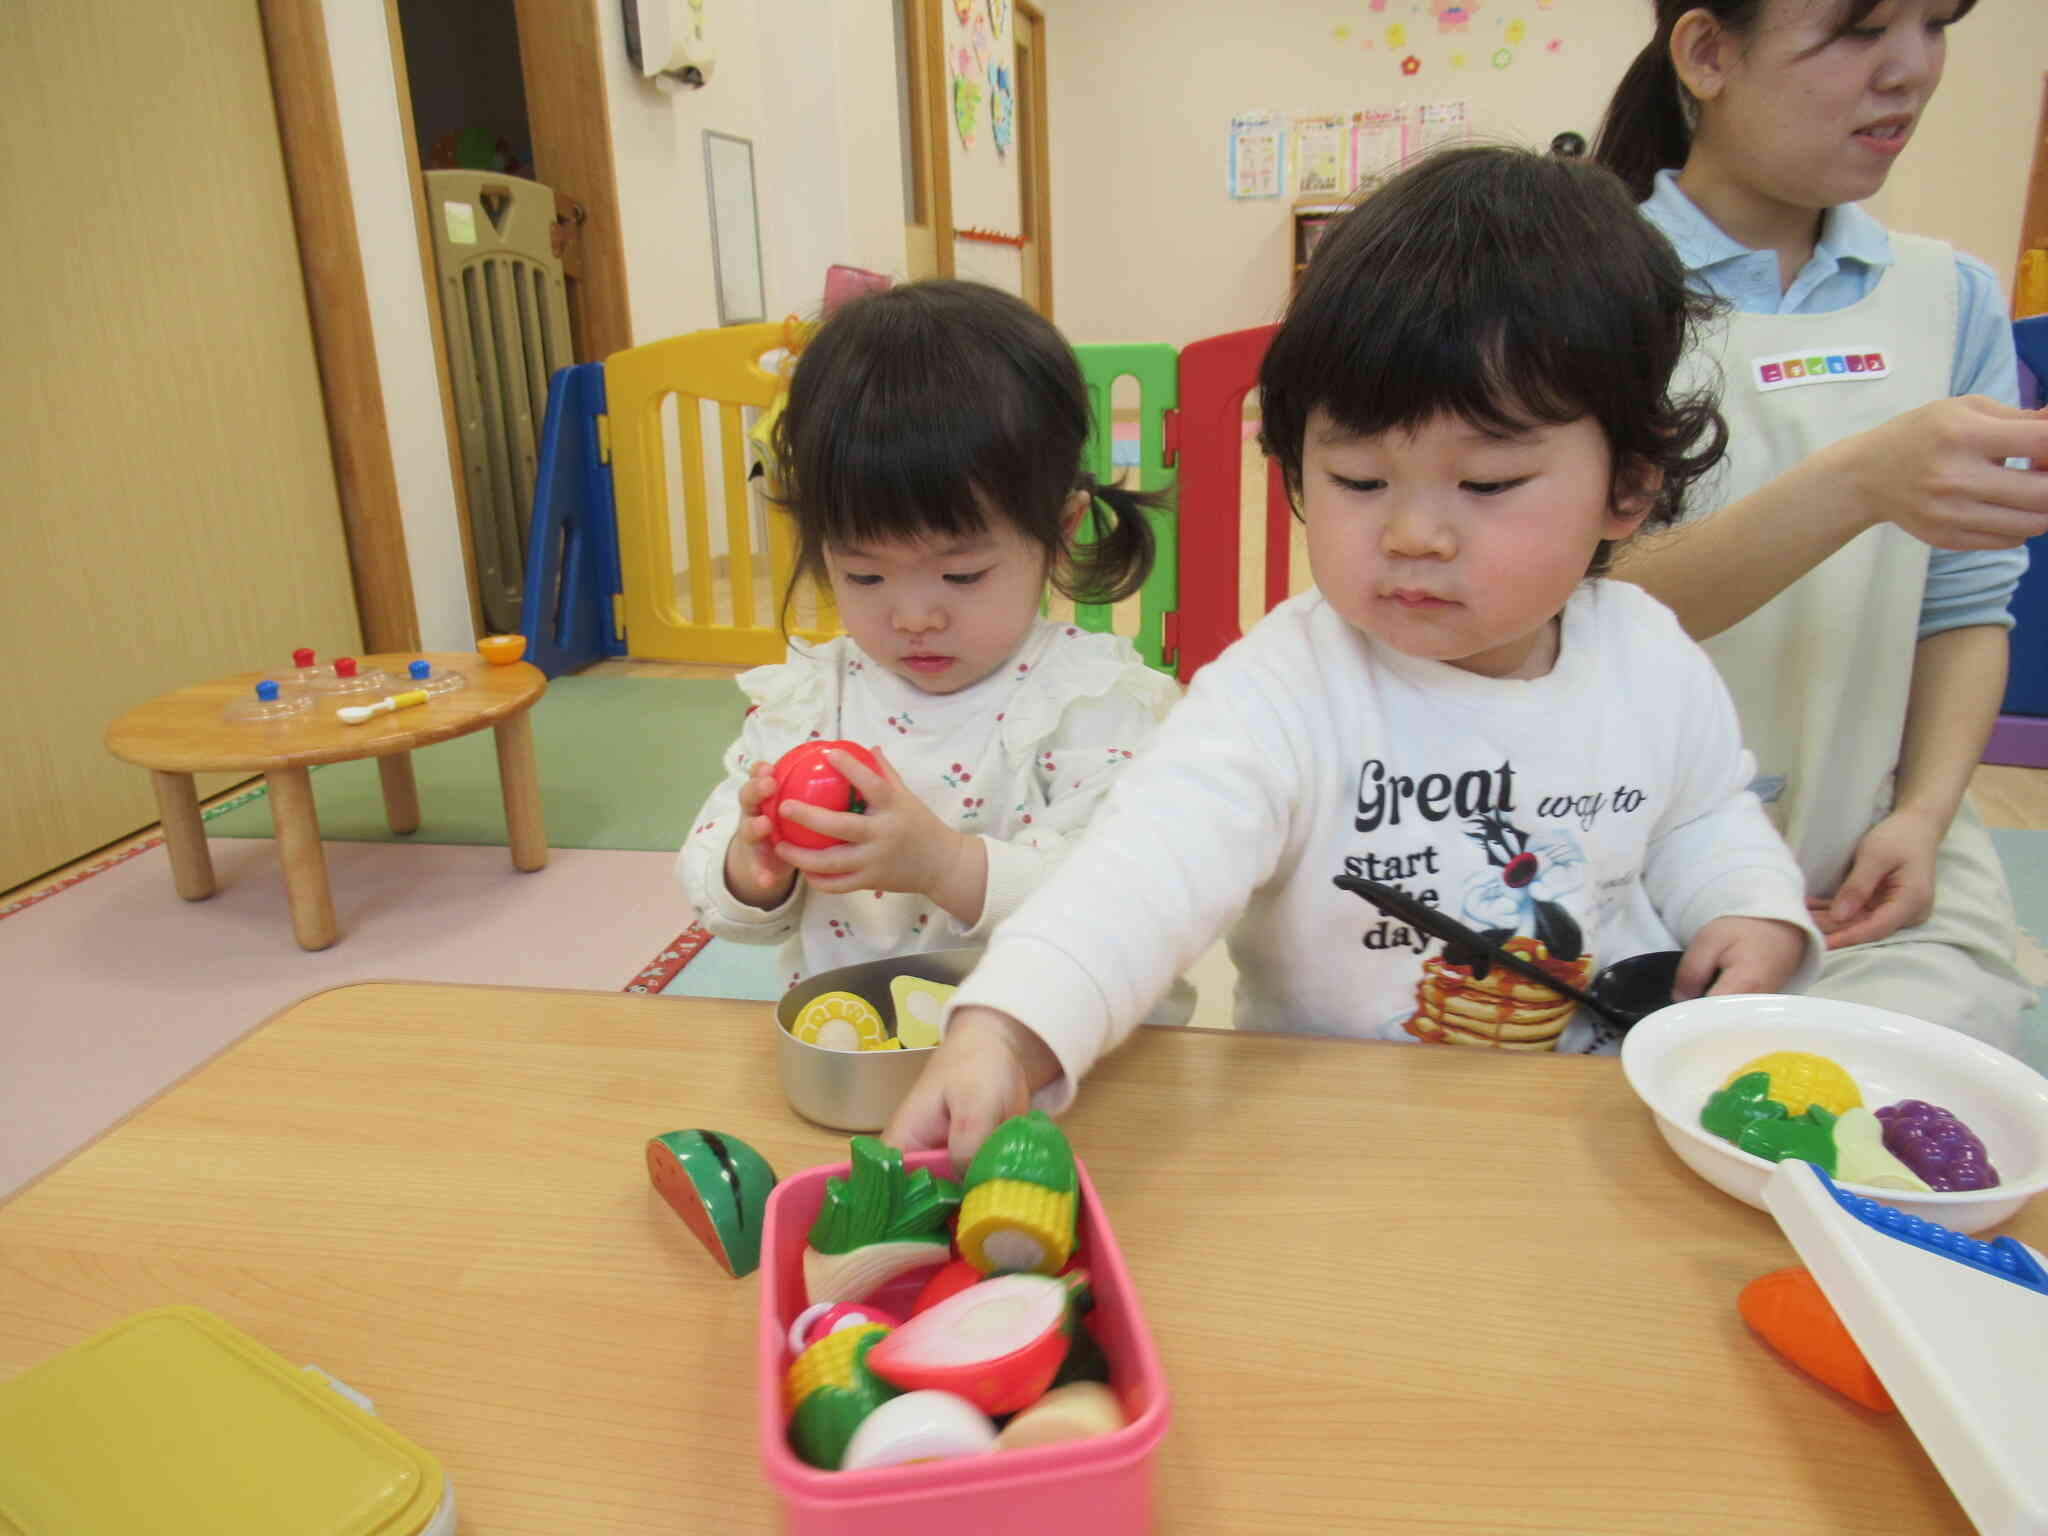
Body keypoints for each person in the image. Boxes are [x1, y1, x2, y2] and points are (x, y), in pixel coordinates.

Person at [884, 146, 1824, 1169]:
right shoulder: (1280, 691)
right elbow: (1138, 874)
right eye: (1358, 479)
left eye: (1488, 483)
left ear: (1627, 487)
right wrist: (1005, 1028)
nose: (1413, 534)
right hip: (1335, 1139)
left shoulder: (1643, 653)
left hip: (1593, 1127)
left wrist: (1747, 908)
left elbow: (1700, 815)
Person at [1592, 0, 2046, 1049]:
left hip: (1859, 878)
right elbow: (1549, 606)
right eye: (1856, 31)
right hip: (1616, 867)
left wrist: (1922, 816)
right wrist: (1853, 484)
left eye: (1934, 25)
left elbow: (1966, 601)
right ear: (1706, 53)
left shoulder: (1949, 299)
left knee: (1906, 1103)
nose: (1909, 72)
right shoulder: (1587, 291)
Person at [677, 280, 1180, 988]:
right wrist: (752, 870)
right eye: (865, 577)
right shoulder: (809, 700)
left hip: (1049, 1042)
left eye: (963, 576)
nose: (914, 618)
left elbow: (1129, 897)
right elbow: (718, 897)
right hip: (860, 1044)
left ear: (1059, 533)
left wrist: (948, 864)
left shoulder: (1089, 702)